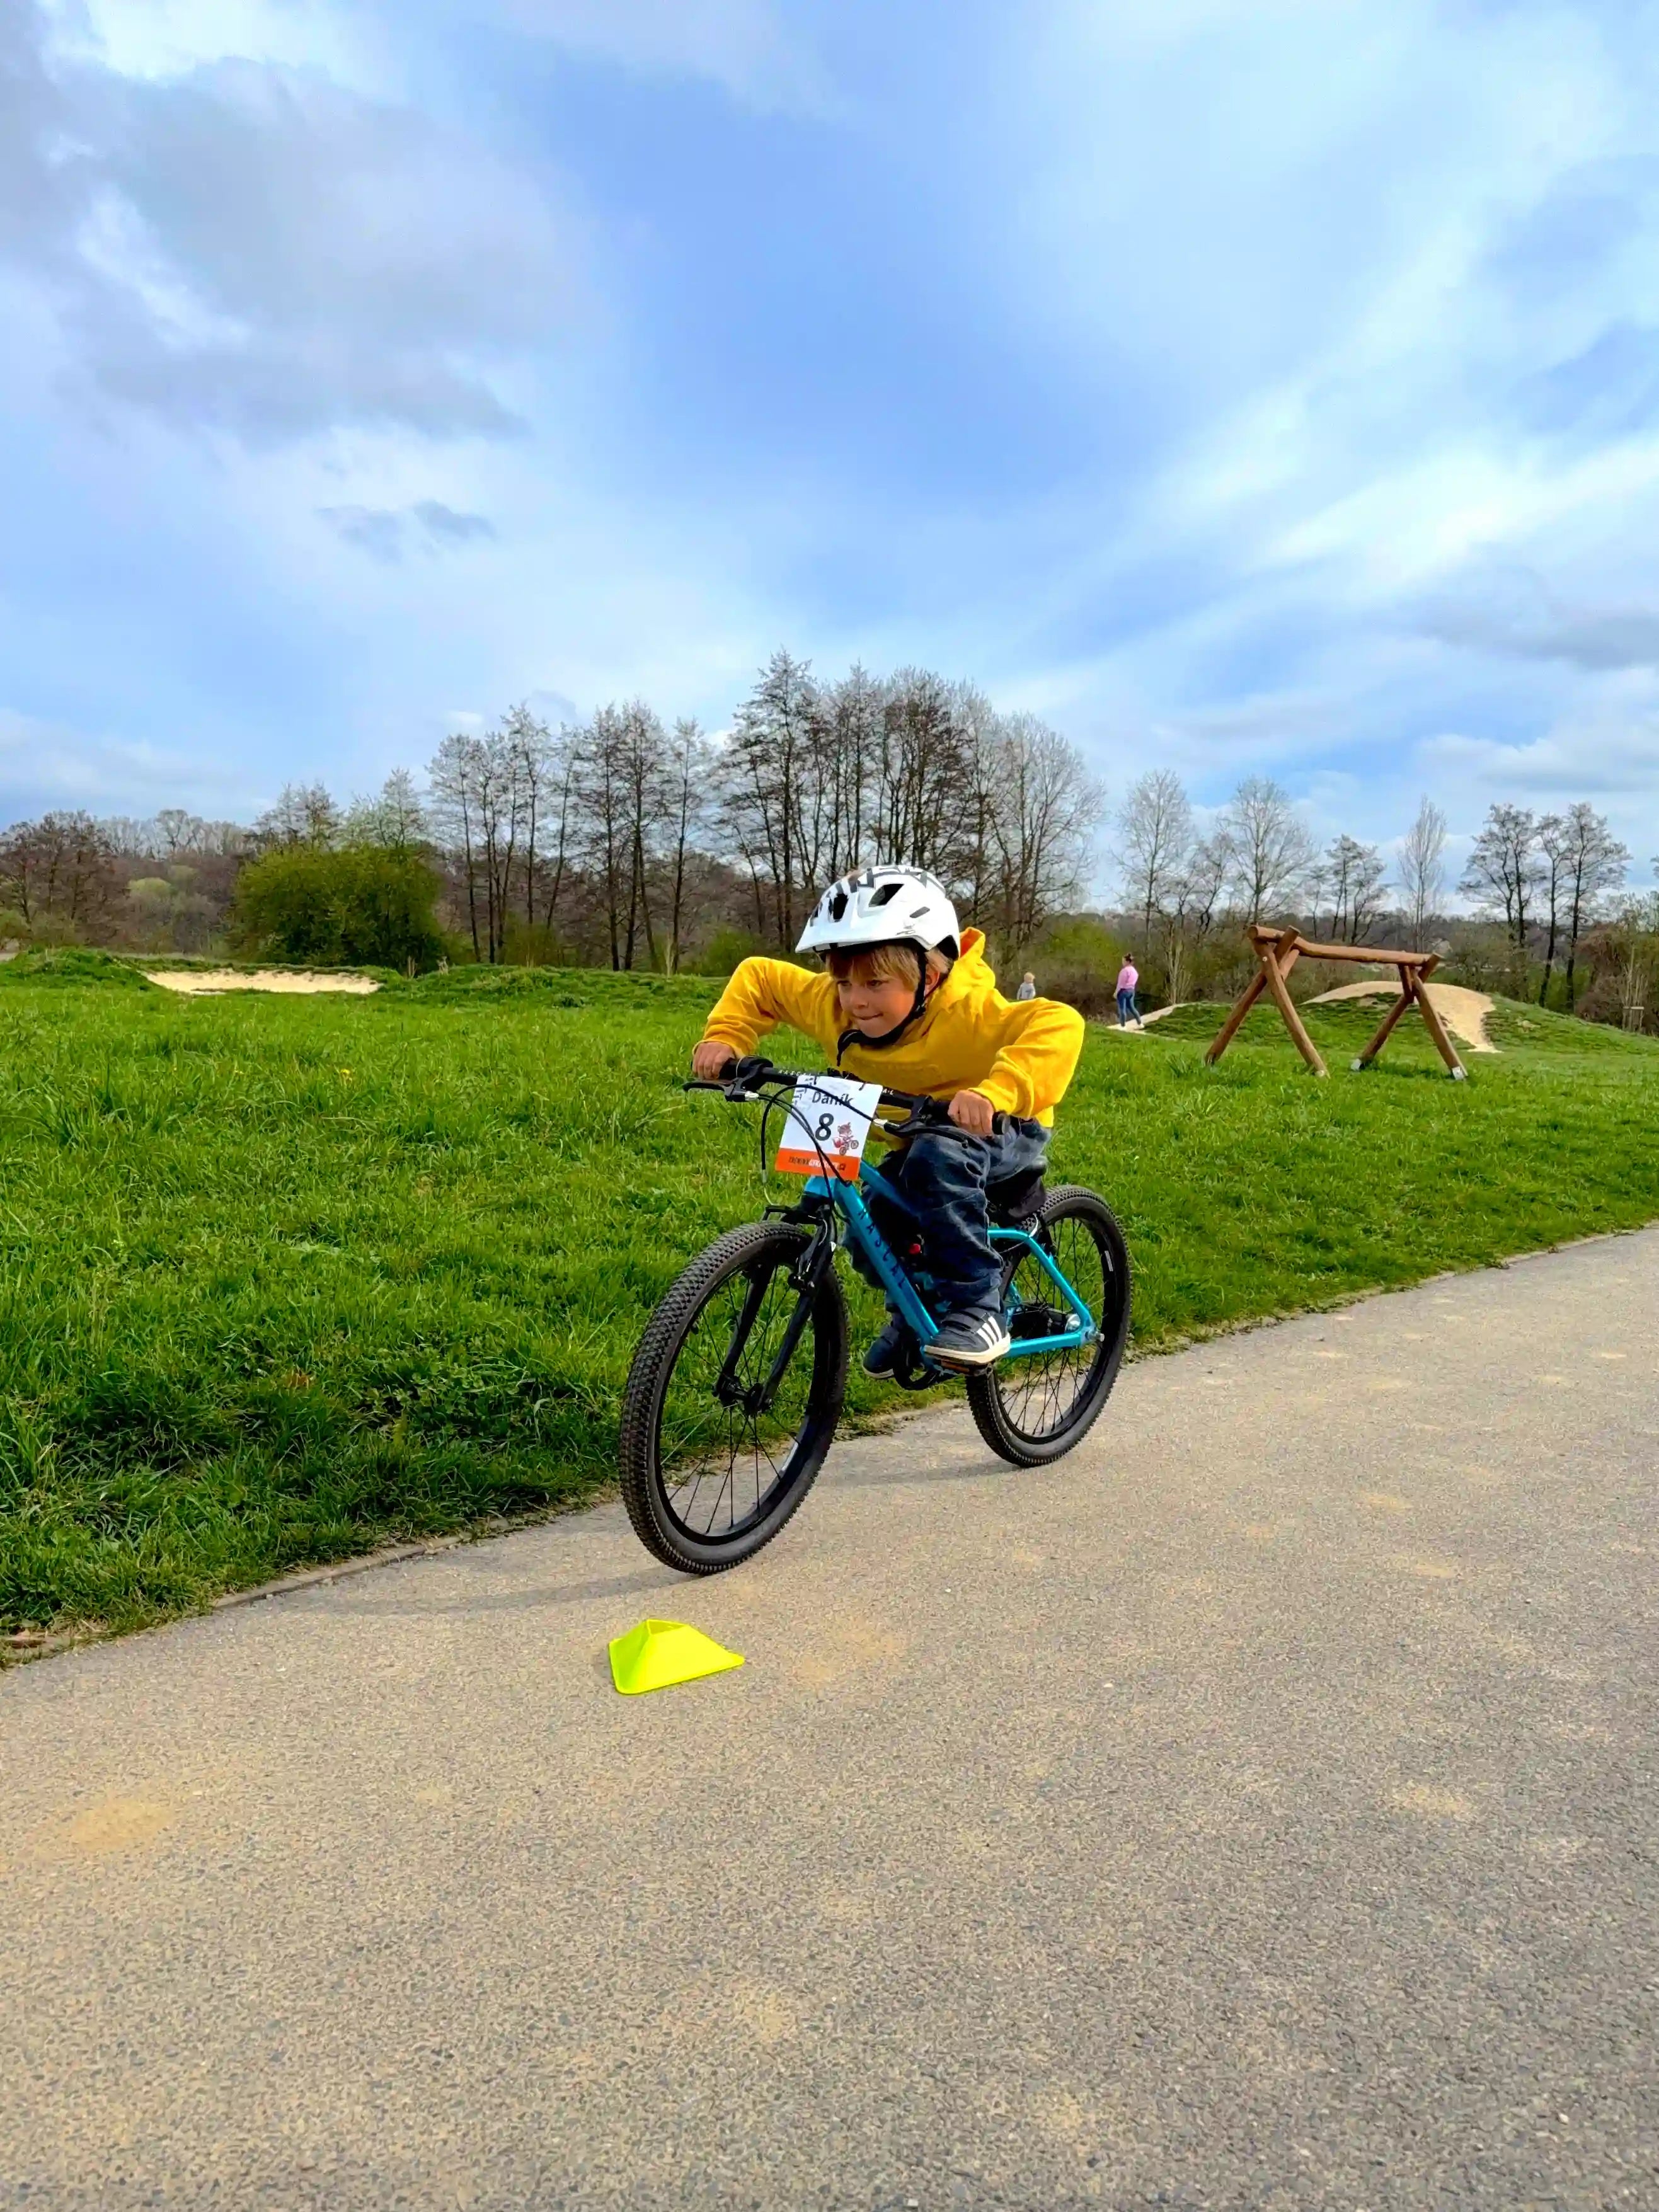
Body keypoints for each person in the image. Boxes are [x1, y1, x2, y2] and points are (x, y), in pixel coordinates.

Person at [691, 864, 1084, 1372]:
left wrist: (996, 1091)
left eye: (876, 982)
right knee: (870, 1220)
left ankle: (976, 1307)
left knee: (938, 1158)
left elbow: (1059, 1022)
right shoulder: (835, 1005)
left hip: (1002, 1123)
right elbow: (759, 977)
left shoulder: (968, 1013)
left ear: (929, 975)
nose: (856, 999)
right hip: (919, 1131)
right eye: (843, 981)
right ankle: (914, 1312)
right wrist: (726, 1037)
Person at [1115, 955, 1140, 1028]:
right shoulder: (1134, 971)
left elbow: (1120, 983)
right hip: (1131, 990)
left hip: (1123, 991)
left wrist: (1116, 992)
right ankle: (1140, 1023)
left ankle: (1123, 1026)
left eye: (1123, 961)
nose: (1122, 963)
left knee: (1122, 1009)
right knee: (1132, 1008)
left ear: (1127, 962)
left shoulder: (1124, 971)